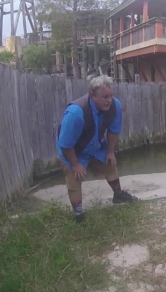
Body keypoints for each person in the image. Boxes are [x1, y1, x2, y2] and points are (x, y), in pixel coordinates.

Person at [56, 75, 137, 222]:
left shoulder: (114, 106)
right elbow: (65, 144)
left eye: (111, 95)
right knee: (75, 177)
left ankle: (118, 195)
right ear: (92, 95)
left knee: (110, 164)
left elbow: (113, 130)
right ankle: (78, 215)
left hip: (96, 145)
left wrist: (111, 151)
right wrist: (75, 165)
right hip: (74, 150)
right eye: (105, 97)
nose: (109, 100)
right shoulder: (76, 112)